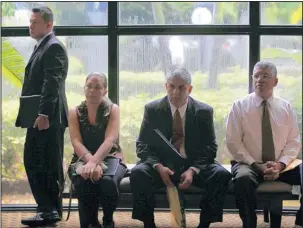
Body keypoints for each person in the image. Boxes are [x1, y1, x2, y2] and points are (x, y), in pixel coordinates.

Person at [130, 67, 232, 228]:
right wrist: (158, 166)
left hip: (192, 164)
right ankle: (148, 223)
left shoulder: (203, 112)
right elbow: (142, 145)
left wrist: (193, 170)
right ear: (166, 87)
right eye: (171, 87)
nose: (175, 92)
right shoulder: (152, 109)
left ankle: (204, 224)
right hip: (162, 165)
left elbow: (211, 148)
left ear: (189, 89)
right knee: (138, 173)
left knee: (220, 175)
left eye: (181, 88)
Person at [225, 61, 302, 228]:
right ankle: (249, 223)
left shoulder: (286, 108)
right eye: (256, 75)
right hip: (249, 163)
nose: (259, 79)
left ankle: (300, 221)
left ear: (275, 81)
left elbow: (294, 142)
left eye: (265, 76)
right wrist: (256, 165)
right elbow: (233, 142)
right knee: (243, 179)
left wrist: (280, 164)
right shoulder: (239, 106)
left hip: (281, 165)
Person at [15, 6, 69, 227]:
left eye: (35, 22)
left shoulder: (53, 47)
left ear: (49, 25)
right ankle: (48, 210)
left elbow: (52, 83)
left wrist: (44, 113)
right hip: (39, 117)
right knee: (38, 162)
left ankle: (49, 211)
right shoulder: (43, 46)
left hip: (48, 118)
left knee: (45, 163)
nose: (30, 25)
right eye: (30, 21)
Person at [68, 72, 127, 228]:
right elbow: (76, 141)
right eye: (89, 86)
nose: (92, 90)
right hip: (82, 158)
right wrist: (90, 163)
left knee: (107, 182)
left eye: (97, 87)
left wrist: (94, 163)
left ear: (104, 91)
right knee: (83, 180)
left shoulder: (113, 109)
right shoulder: (74, 111)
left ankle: (108, 220)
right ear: (84, 87)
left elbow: (110, 139)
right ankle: (92, 222)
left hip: (111, 157)